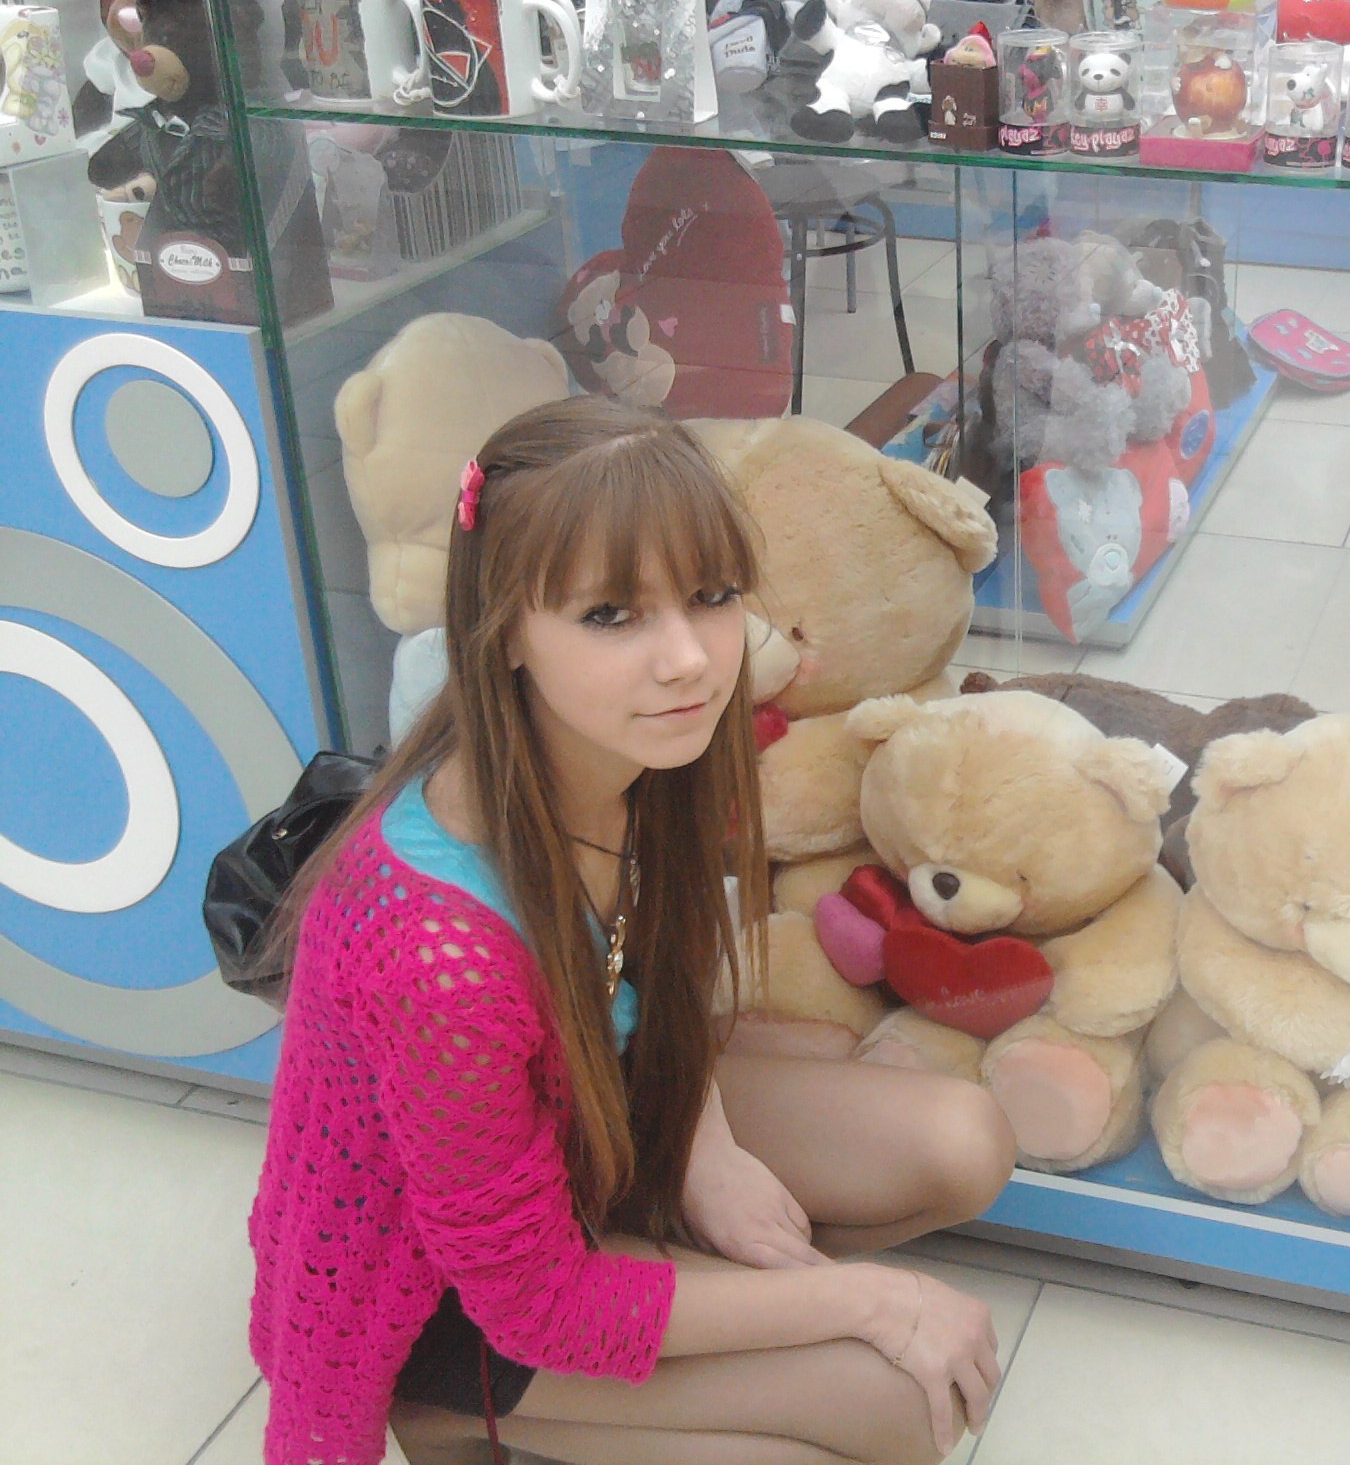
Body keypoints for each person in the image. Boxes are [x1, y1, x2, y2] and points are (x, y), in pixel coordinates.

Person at [246, 397, 1016, 1465]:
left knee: (964, 1142)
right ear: (505, 630)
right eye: (612, 614)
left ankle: (676, 1294)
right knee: (891, 1408)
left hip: (595, 1135)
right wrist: (872, 1299)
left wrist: (707, 1146)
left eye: (710, 597)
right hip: (455, 1300)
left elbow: (651, 978)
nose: (689, 658)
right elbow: (531, 1301)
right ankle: (448, 1410)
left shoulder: (646, 753)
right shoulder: (437, 952)